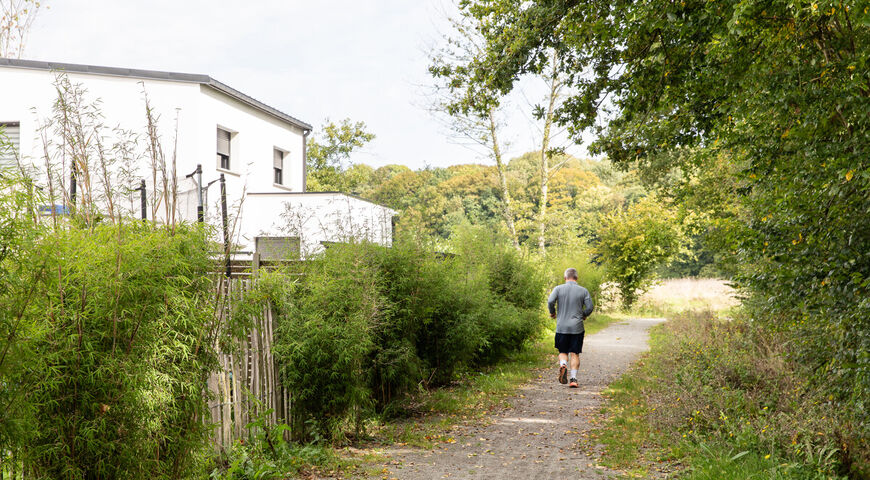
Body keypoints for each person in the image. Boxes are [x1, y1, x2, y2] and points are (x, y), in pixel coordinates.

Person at [547, 267, 594, 388]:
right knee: (575, 353)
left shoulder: (558, 289)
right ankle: (573, 379)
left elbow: (550, 301)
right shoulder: (583, 291)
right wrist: (583, 315)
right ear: (576, 278)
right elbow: (590, 307)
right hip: (577, 327)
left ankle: (563, 364)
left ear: (565, 278)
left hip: (561, 327)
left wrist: (552, 312)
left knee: (563, 351)